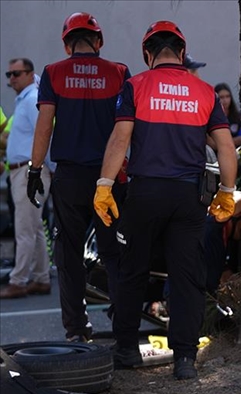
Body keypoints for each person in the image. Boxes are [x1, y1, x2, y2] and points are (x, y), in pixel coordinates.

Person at [94, 20, 238, 380]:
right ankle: (185, 360)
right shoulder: (205, 92)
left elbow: (120, 139)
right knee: (187, 276)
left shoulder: (136, 86)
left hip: (144, 193)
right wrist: (227, 191)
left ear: (147, 54)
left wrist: (104, 185)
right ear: (183, 53)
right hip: (188, 196)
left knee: (132, 271)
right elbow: (225, 146)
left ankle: (126, 350)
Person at [25, 13, 131, 340]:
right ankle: (123, 329)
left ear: (66, 43)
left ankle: (76, 331)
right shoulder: (119, 73)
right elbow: (127, 128)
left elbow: (44, 127)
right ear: (98, 41)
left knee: (69, 254)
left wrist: (34, 169)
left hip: (69, 178)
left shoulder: (53, 74)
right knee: (115, 253)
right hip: (110, 179)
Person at [0, 58, 53, 300]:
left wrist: (40, 169)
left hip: (29, 171)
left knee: (25, 228)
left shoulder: (32, 100)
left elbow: (45, 135)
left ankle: (18, 280)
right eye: (9, 74)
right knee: (33, 228)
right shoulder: (27, 99)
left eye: (16, 74)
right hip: (26, 170)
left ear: (30, 74)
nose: (11, 79)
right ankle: (41, 278)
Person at [214, 83, 241, 147]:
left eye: (227, 96)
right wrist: (234, 141)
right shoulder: (212, 118)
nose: (225, 100)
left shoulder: (238, 117)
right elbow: (212, 144)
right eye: (221, 97)